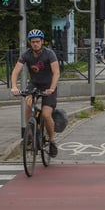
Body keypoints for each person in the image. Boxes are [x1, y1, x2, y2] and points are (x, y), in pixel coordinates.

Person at [10, 29, 61, 157]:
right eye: (33, 42)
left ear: (42, 42)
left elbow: (56, 72)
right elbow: (16, 71)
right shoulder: (26, 54)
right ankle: (31, 136)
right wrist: (14, 86)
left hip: (49, 85)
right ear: (30, 43)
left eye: (38, 41)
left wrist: (52, 88)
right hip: (34, 85)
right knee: (28, 106)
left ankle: (52, 140)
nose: (35, 44)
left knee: (46, 114)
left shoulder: (49, 54)